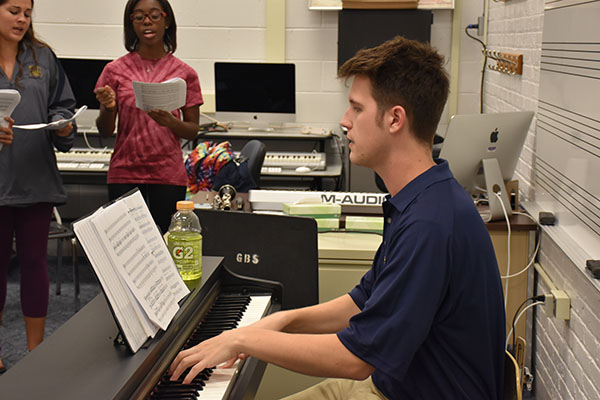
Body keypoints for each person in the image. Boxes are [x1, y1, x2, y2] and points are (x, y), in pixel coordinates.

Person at [168, 36, 506, 399]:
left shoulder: (430, 224)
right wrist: (284, 320)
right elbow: (362, 301)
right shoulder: (421, 199)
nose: (344, 122)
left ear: (395, 119)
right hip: (393, 386)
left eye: (356, 109)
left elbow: (355, 358)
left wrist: (243, 338)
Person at [0, 0, 76, 373]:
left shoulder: (43, 58)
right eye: (14, 10)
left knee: (35, 264)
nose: (22, 19)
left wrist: (63, 124)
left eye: (27, 13)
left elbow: (62, 106)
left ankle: (35, 351)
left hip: (36, 180)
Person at [94, 0, 203, 233]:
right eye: (139, 17)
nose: (147, 22)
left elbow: (193, 129)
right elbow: (104, 130)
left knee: (168, 244)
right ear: (130, 23)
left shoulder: (185, 73)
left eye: (154, 15)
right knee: (127, 245)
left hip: (168, 174)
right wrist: (110, 108)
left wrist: (171, 122)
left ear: (167, 20)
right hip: (125, 172)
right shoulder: (114, 70)